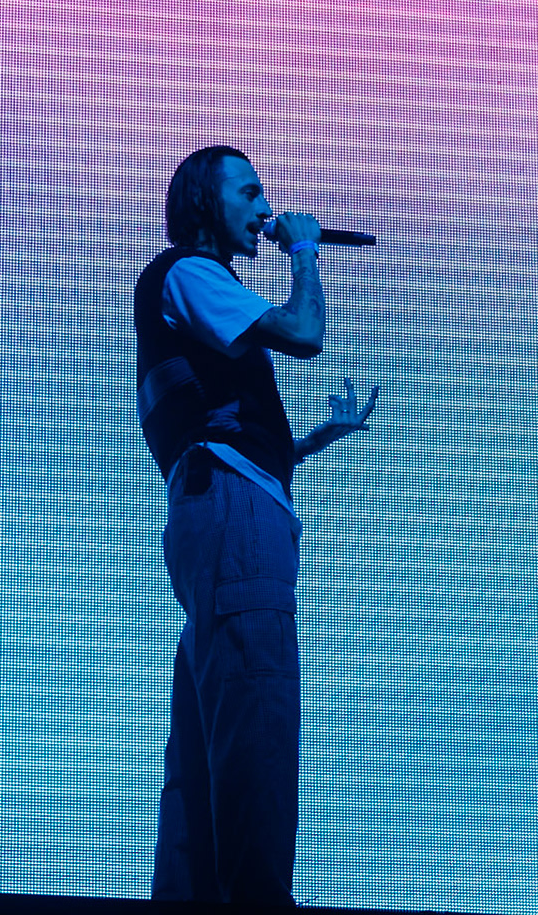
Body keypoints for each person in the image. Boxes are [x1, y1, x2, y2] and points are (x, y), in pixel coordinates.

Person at [136, 145, 381, 905]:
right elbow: (305, 333)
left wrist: (315, 438)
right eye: (248, 192)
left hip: (218, 504)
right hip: (234, 513)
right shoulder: (191, 272)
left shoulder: (199, 292)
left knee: (206, 737)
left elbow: (221, 426)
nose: (264, 207)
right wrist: (304, 250)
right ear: (204, 203)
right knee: (255, 706)